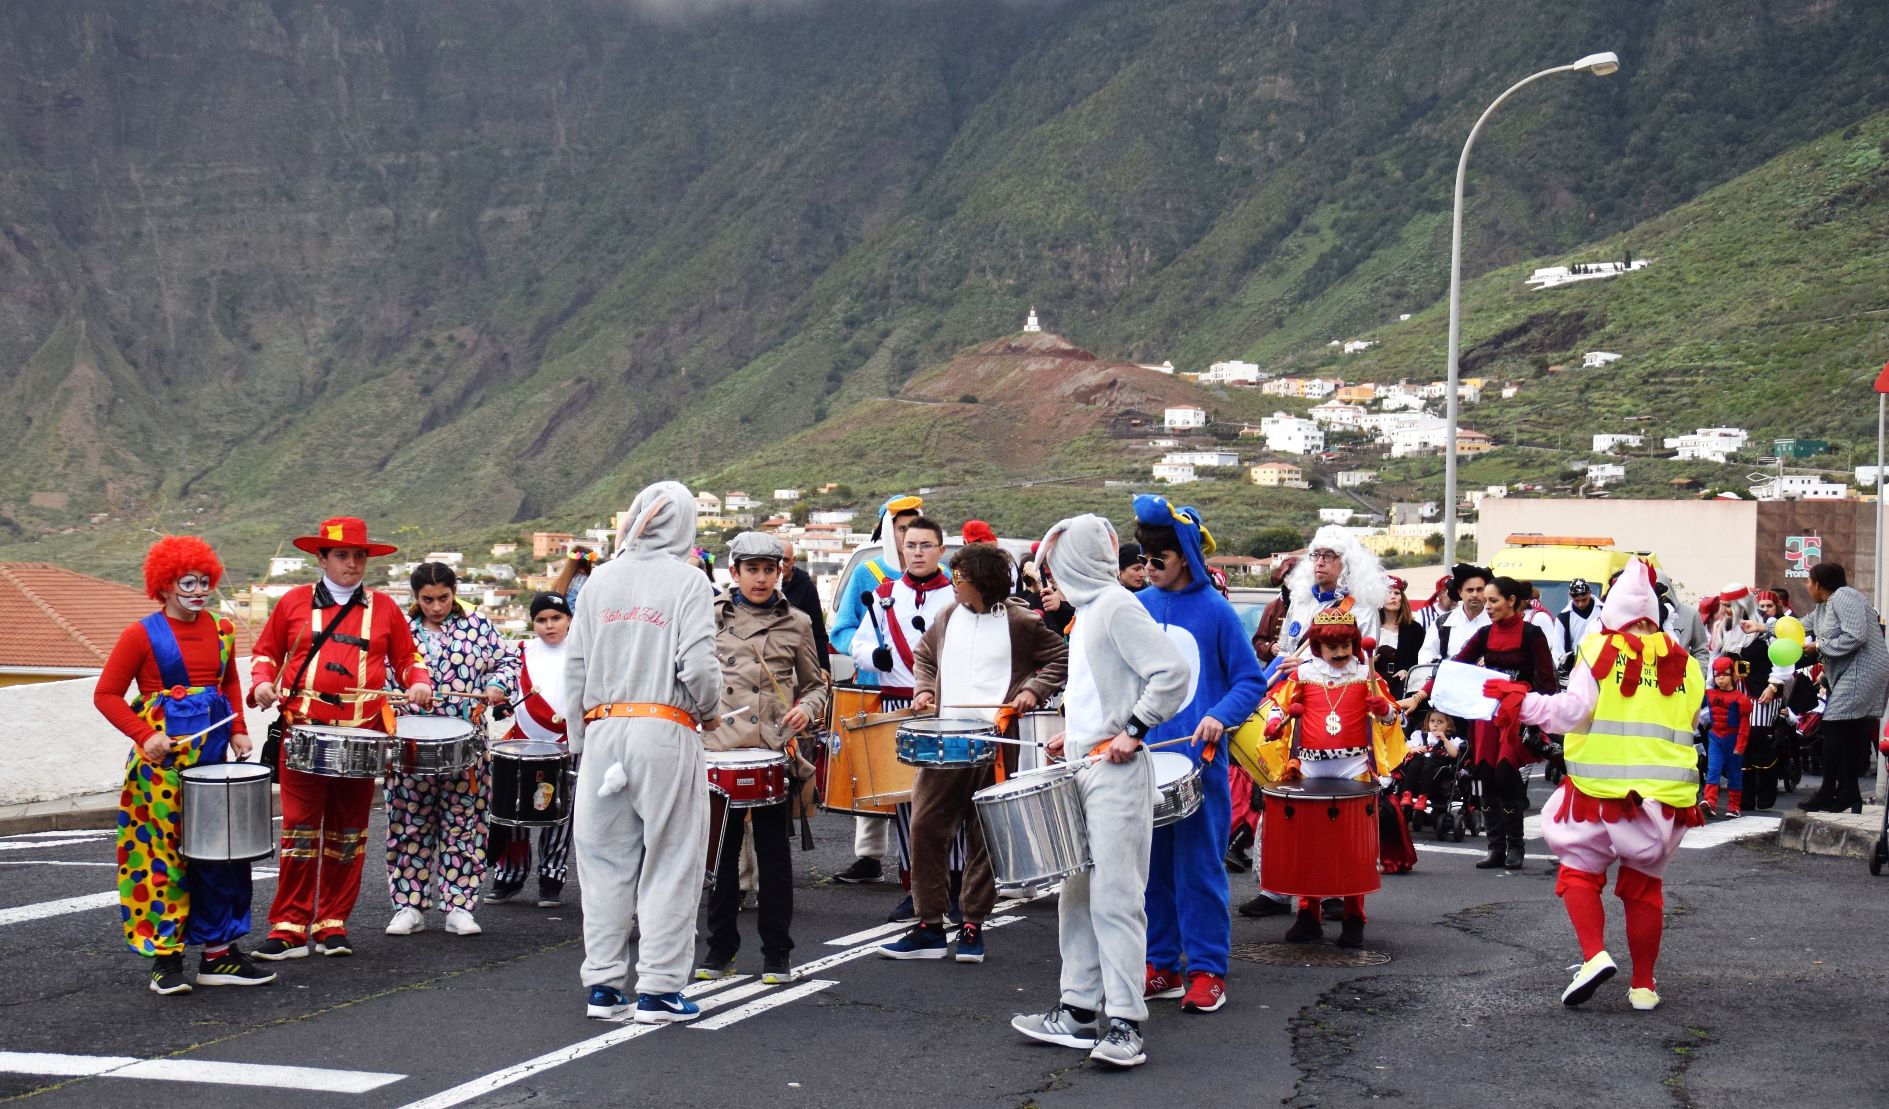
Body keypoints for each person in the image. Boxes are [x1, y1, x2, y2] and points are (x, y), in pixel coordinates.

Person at [1011, 514, 1191, 1070]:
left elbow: (1172, 673)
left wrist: (1134, 730)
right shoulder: (1091, 612)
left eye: (1054, 569)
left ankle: (1125, 1024)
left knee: (1116, 898)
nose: (1050, 580)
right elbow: (1105, 687)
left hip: (1116, 774)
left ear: (1075, 562)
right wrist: (1080, 732)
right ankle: (1078, 1010)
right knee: (1079, 895)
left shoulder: (1114, 605)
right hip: (1087, 765)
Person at [1504, 559, 1706, 1011]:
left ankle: (1594, 955)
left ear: (1610, 613)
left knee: (1579, 872)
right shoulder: (1687, 664)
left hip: (1598, 791)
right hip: (1664, 797)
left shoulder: (1597, 649)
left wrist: (1523, 704)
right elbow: (1692, 722)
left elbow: (1572, 713)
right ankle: (1644, 986)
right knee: (1644, 888)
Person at [569, 481, 722, 1023]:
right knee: (671, 858)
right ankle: (658, 987)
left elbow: (576, 668)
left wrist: (579, 739)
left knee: (604, 862)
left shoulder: (598, 582)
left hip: (602, 731)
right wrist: (709, 709)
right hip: (664, 727)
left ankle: (603, 985)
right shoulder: (689, 582)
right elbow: (700, 666)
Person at [94, 536, 274, 994]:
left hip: (212, 759)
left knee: (220, 855)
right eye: (186, 582)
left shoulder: (223, 630)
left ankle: (219, 957)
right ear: (165, 585)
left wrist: (237, 728)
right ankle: (166, 961)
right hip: (160, 769)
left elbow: (229, 682)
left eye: (203, 582)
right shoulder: (140, 634)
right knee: (162, 860)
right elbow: (106, 695)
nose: (197, 590)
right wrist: (145, 735)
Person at [249, 517, 434, 960]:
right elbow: (266, 653)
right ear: (322, 558)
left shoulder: (385, 608)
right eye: (342, 555)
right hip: (304, 733)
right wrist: (260, 682)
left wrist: (418, 681)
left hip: (362, 737)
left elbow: (408, 659)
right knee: (299, 831)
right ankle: (289, 926)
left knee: (349, 833)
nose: (352, 564)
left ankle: (332, 922)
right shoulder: (292, 603)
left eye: (359, 556)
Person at [881, 542, 1068, 963]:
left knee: (985, 836)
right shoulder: (947, 616)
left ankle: (972, 925)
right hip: (945, 742)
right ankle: (929, 925)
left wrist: (1031, 690)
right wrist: (925, 689)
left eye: (960, 578)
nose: (953, 584)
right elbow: (924, 656)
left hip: (996, 742)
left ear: (980, 583)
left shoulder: (1020, 621)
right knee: (926, 828)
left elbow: (1061, 656)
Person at [1131, 495, 1265, 1014]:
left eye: (1156, 559)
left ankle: (1208, 969)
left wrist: (1220, 714)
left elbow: (1250, 680)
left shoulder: (1216, 610)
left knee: (1199, 870)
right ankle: (1161, 963)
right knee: (1152, 871)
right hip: (1146, 760)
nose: (1148, 569)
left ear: (1183, 555)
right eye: (1143, 560)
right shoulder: (1138, 607)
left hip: (1201, 765)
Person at [696, 532, 828, 986]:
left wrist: (806, 710)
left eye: (769, 570)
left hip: (772, 749)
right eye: (751, 569)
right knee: (723, 855)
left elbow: (816, 684)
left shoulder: (799, 622)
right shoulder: (709, 617)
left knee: (773, 858)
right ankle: (719, 950)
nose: (760, 578)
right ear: (734, 573)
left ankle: (778, 953)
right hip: (720, 751)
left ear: (781, 573)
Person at [1253, 607, 1405, 947]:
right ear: (1317, 647)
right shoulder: (1302, 675)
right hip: (1308, 765)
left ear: (1355, 644)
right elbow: (1277, 705)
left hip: (1353, 766)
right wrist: (1275, 724)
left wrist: (1383, 710)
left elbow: (1393, 716)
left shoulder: (1367, 675)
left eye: (1346, 646)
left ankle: (1354, 917)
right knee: (1309, 843)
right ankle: (1308, 915)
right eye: (1331, 647)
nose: (1339, 654)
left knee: (1352, 847)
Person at [385, 562, 518, 939]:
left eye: (443, 598)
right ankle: (408, 905)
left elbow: (510, 661)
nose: (437, 606)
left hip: (467, 749)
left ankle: (459, 905)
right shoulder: (401, 632)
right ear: (415, 598)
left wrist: (495, 684)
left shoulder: (478, 627)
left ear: (454, 590)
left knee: (465, 826)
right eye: (427, 600)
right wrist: (396, 698)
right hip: (411, 748)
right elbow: (379, 673)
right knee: (408, 824)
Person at [1404, 575, 1555, 869]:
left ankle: (1516, 848)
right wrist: (1421, 695)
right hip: (1486, 714)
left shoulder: (1532, 634)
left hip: (1517, 715)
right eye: (1486, 600)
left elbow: (1547, 681)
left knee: (1506, 777)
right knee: (1485, 775)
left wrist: (1543, 723)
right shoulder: (1485, 634)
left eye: (1493, 600)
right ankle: (1496, 847)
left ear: (1511, 601)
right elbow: (1454, 667)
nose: (1487, 606)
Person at [849, 514, 955, 920]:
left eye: (926, 545)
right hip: (897, 705)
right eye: (911, 545)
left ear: (940, 551)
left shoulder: (957, 597)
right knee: (907, 803)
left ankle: (954, 884)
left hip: (945, 710)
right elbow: (859, 643)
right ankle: (916, 887)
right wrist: (872, 656)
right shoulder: (884, 594)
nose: (917, 552)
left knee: (949, 801)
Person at [829, 494, 924, 885]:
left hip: (923, 689)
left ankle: (920, 861)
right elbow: (844, 628)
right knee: (874, 772)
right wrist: (871, 653)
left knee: (920, 778)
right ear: (889, 531)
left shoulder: (943, 572)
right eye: (901, 530)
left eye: (913, 529)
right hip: (875, 687)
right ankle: (869, 856)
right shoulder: (868, 571)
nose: (907, 538)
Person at [488, 592, 578, 907]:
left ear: (569, 619)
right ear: (533, 623)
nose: (549, 625)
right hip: (524, 740)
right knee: (514, 810)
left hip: (568, 742)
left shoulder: (583, 651)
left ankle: (551, 879)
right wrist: (502, 705)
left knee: (559, 813)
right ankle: (509, 877)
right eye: (541, 620)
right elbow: (510, 693)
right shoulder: (522, 652)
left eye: (556, 618)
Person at [1798, 562, 1889, 814]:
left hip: (1864, 670)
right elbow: (1799, 626)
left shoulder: (1844, 597)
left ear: (1818, 583)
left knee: (1833, 724)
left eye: (1809, 580)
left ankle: (1829, 791)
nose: (1807, 585)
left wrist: (1818, 647)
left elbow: (1855, 635)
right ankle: (1850, 794)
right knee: (1848, 733)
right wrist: (1763, 627)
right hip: (1852, 671)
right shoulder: (1822, 608)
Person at [1275, 527, 1386, 661]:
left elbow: (1364, 662)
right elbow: (1284, 652)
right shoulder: (1300, 599)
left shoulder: (1363, 608)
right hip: (1290, 681)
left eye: (1329, 556)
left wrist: (1305, 668)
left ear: (1347, 564)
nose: (1320, 562)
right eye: (1316, 555)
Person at [1699, 657, 1752, 818]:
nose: (1720, 678)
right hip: (1715, 737)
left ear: (1733, 675)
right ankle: (1710, 801)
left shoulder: (1741, 699)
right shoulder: (1708, 694)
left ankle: (1734, 806)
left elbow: (1744, 725)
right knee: (1713, 770)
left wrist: (1741, 745)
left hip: (1733, 739)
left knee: (1734, 774)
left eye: (1724, 675)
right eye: (1717, 675)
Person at [1416, 564, 1490, 668]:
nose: (1475, 594)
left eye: (1479, 589)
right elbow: (1426, 655)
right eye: (1469, 590)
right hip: (1448, 681)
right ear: (1460, 593)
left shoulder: (1496, 621)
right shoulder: (1442, 622)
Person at [1396, 709, 1465, 822]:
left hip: (1437, 763)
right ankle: (1407, 793)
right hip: (1420, 759)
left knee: (1429, 766)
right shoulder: (1420, 735)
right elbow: (1406, 748)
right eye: (1432, 721)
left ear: (1448, 726)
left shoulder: (1451, 740)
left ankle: (1423, 796)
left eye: (1440, 722)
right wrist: (1414, 749)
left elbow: (1454, 754)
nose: (1435, 724)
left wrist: (1444, 739)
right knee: (1414, 764)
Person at [777, 540, 831, 670]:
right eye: (777, 559)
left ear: (793, 560)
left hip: (798, 660)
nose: (781, 564)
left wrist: (824, 669)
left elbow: (818, 632)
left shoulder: (806, 587)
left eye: (785, 560)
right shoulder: (764, 587)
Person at [1375, 575, 1425, 699]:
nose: (1393, 597)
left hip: (1402, 690)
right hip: (1374, 687)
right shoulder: (1371, 626)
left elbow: (1422, 659)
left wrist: (1407, 670)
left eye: (1397, 593)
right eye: (1388, 592)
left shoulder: (1415, 629)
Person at [1251, 556, 1298, 666]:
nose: (1293, 579)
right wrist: (1270, 648)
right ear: (1283, 578)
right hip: (1276, 669)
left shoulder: (1315, 606)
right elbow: (1259, 642)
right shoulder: (1272, 607)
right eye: (1289, 575)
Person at [1557, 579, 1602, 676]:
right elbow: (1558, 650)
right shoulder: (1563, 617)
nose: (1580, 604)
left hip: (1602, 663)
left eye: (1584, 599)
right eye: (1576, 600)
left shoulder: (1604, 611)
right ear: (1570, 596)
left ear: (1590, 593)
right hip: (1575, 669)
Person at [550, 545, 600, 609]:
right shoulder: (582, 580)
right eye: (591, 562)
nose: (593, 566)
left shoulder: (562, 580)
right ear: (585, 564)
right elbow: (572, 608)